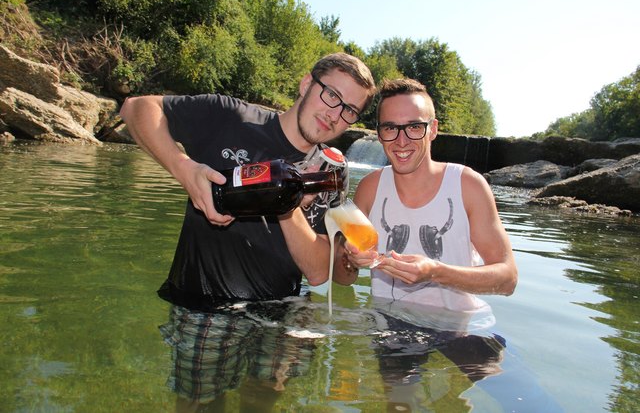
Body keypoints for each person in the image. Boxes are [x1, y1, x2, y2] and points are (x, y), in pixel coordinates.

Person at [119, 52, 376, 410]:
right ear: (306, 84)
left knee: (263, 399)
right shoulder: (231, 117)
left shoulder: (329, 171)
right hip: (206, 306)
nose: (335, 114)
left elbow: (319, 271)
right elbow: (135, 108)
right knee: (201, 405)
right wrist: (183, 168)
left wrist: (287, 206)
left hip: (280, 310)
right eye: (331, 95)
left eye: (349, 109)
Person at [343, 78, 518, 410]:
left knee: (524, 401)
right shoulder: (368, 189)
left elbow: (508, 278)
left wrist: (435, 272)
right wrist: (351, 258)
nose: (401, 140)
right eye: (390, 129)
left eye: (414, 127)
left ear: (433, 129)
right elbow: (343, 274)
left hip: (463, 326)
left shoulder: (468, 185)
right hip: (393, 327)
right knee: (399, 407)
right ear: (378, 133)